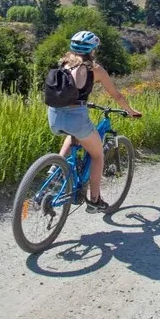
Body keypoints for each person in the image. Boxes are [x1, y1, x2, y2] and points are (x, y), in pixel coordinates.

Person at [48, 30, 141, 213]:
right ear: (92, 50)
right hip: (76, 118)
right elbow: (116, 95)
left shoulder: (63, 64)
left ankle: (54, 170)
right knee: (97, 155)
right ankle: (94, 200)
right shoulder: (95, 69)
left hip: (54, 116)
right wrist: (130, 111)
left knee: (71, 136)